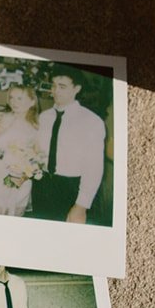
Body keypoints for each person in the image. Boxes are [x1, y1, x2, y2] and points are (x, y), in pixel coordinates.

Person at [32, 72, 107, 223]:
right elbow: (37, 150)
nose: (55, 91)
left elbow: (94, 168)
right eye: (53, 86)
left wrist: (81, 206)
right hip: (42, 184)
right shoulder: (44, 117)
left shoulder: (91, 121)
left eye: (62, 86)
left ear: (77, 89)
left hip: (71, 188)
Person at [0, 86, 45, 216]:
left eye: (19, 98)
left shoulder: (37, 126)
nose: (14, 102)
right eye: (11, 97)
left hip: (19, 183)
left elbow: (39, 158)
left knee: (12, 228)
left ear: (32, 101)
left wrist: (23, 177)